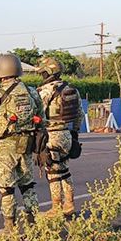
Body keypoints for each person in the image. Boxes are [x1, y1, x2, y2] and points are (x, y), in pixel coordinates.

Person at [0, 54, 45, 231]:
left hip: (5, 148)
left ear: (0, 72)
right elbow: (42, 119)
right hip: (26, 146)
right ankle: (32, 225)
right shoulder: (31, 92)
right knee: (28, 186)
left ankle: (9, 227)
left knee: (6, 189)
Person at [35, 56, 82, 218]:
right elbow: (79, 115)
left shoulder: (44, 92)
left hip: (51, 136)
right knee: (65, 170)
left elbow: (36, 115)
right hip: (67, 135)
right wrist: (74, 134)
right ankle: (70, 204)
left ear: (48, 72)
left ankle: (56, 208)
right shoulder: (72, 89)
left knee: (53, 172)